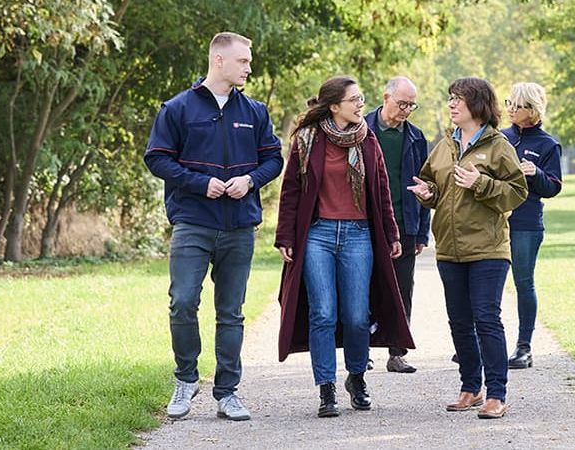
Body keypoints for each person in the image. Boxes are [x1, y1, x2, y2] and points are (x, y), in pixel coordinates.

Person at [144, 32, 283, 421]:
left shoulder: (254, 111)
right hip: (192, 222)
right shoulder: (178, 108)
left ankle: (227, 392)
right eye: (243, 62)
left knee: (231, 312)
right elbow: (156, 158)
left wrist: (251, 180)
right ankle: (185, 379)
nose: (249, 68)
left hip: (239, 227)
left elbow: (274, 158)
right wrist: (199, 183)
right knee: (183, 301)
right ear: (219, 61)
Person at [274, 75, 415, 418]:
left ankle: (356, 377)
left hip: (358, 235)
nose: (360, 104)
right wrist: (285, 236)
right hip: (318, 236)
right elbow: (291, 190)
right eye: (354, 99)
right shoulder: (307, 139)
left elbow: (381, 191)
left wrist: (393, 234)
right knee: (323, 313)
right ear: (335, 106)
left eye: (361, 98)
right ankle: (326, 388)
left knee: (355, 316)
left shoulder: (367, 141)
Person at [408, 77, 527, 419]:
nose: (451, 104)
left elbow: (517, 192)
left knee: (486, 318)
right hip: (449, 248)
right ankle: (470, 387)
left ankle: (496, 394)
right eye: (450, 99)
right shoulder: (445, 144)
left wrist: (482, 183)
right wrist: (428, 193)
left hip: (488, 248)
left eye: (458, 99)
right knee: (459, 321)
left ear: (477, 105)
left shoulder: (498, 145)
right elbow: (433, 183)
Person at [365, 76, 430, 374]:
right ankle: (360, 349)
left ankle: (397, 353)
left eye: (411, 105)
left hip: (405, 224)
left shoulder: (416, 138)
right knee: (363, 287)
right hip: (364, 224)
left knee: (402, 289)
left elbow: (426, 186)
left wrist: (421, 232)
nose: (405, 110)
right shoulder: (360, 129)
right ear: (385, 97)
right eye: (402, 103)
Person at [501, 82, 563, 369]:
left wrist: (536, 173)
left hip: (526, 224)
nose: (511, 109)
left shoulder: (547, 145)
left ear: (533, 110)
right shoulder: (500, 138)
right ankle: (480, 342)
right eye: (509, 103)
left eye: (517, 105)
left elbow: (553, 187)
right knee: (488, 283)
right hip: (495, 222)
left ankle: (524, 347)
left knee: (523, 283)